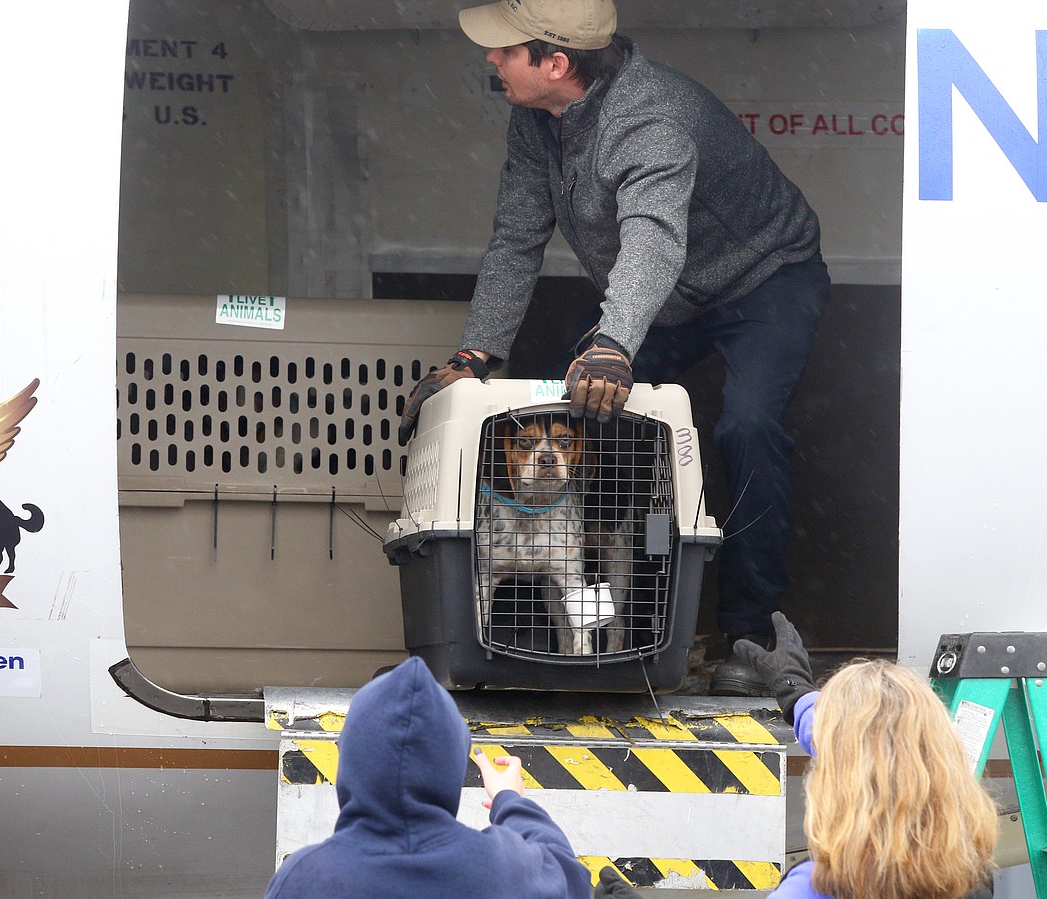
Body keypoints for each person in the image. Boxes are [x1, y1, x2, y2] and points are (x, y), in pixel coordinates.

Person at [398, 0, 831, 695]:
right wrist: (476, 354)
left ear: (557, 63)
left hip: (764, 278)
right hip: (666, 297)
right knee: (577, 415)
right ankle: (598, 624)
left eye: (505, 50)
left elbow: (653, 242)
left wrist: (613, 345)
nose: (491, 59)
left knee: (746, 423)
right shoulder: (535, 120)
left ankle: (747, 634)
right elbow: (516, 236)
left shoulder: (652, 117)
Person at [263, 655, 592, 899]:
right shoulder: (505, 869)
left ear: (350, 759)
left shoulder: (306, 878)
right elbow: (569, 877)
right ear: (450, 762)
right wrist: (511, 801)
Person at [735, 612, 999, 899]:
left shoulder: (811, 889)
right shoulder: (973, 878)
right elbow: (887, 743)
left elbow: (857, 750)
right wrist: (798, 695)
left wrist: (796, 690)